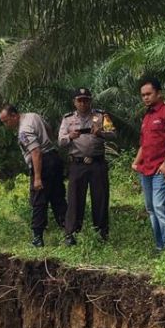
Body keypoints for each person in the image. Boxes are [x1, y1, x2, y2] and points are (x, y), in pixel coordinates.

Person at [0, 104, 67, 247]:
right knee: (58, 197)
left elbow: (36, 152)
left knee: (38, 200)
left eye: (6, 121)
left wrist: (37, 177)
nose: (6, 124)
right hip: (54, 157)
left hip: (43, 163)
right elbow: (48, 130)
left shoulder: (24, 130)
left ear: (14, 115)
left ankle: (37, 238)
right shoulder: (33, 115)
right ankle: (69, 233)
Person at [58, 87, 116, 244]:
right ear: (74, 102)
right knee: (75, 199)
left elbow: (113, 134)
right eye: (80, 100)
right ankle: (71, 234)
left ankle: (101, 234)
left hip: (97, 163)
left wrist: (100, 133)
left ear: (91, 101)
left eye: (86, 100)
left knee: (100, 198)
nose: (83, 103)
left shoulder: (102, 115)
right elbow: (60, 141)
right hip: (77, 164)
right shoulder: (67, 119)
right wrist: (70, 136)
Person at [131, 77, 165, 250]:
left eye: (149, 94)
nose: (145, 97)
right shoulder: (146, 117)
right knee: (151, 208)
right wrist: (136, 162)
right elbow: (144, 144)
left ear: (159, 93)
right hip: (146, 169)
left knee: (161, 206)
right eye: (143, 95)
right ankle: (160, 246)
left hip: (162, 169)